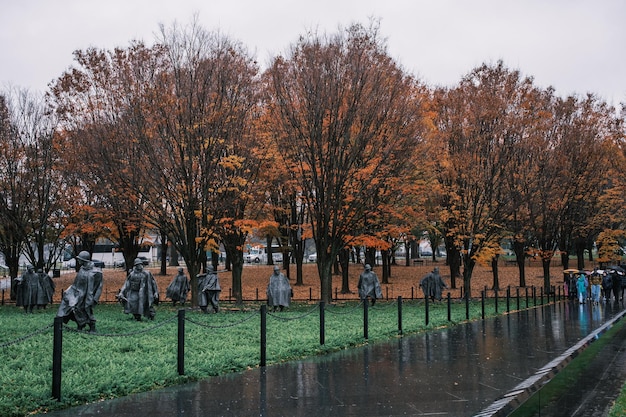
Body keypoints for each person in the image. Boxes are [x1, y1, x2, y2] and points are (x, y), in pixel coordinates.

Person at [56, 251, 103, 332]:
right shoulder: (82, 269)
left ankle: (92, 326)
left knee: (86, 310)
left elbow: (98, 287)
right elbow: (76, 283)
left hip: (86, 296)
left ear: (84, 260)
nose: (78, 261)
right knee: (70, 308)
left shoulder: (95, 272)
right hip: (76, 293)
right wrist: (69, 291)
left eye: (79, 259)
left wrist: (94, 298)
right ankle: (79, 324)